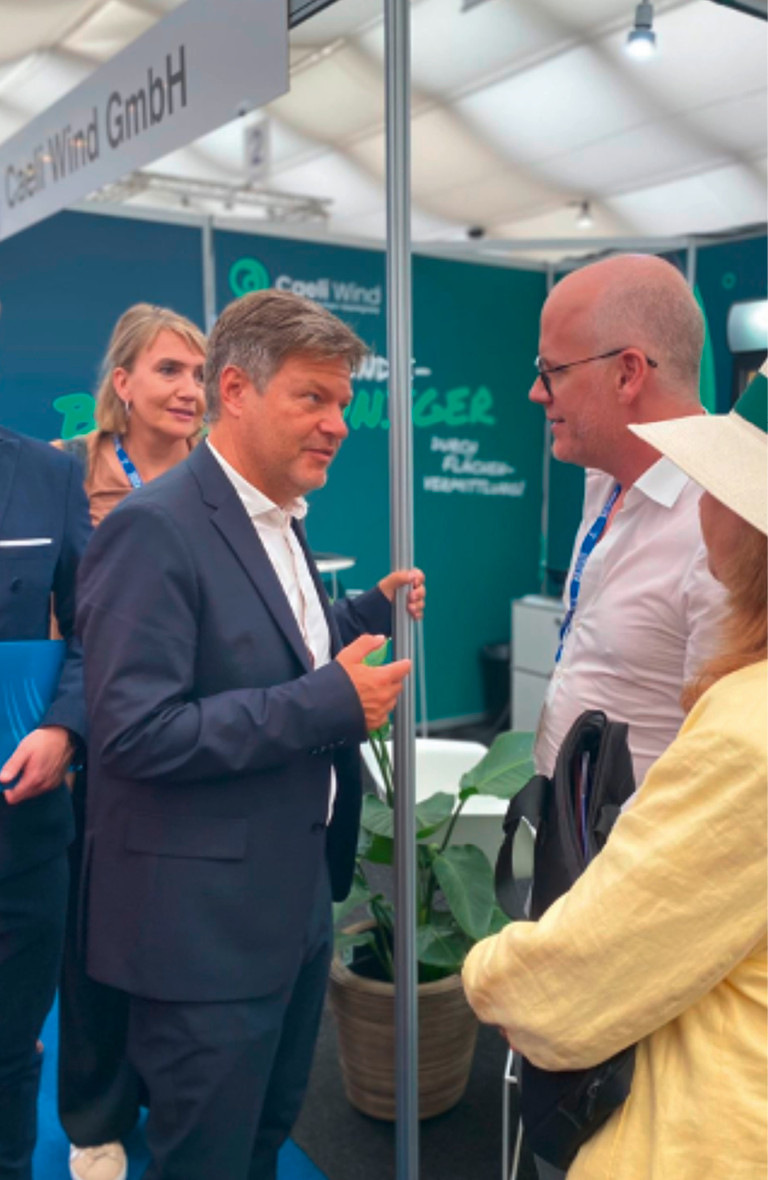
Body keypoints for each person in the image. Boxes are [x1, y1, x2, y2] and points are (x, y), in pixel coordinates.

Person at [76, 288, 423, 1180]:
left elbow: (267, 646)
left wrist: (362, 612)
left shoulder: (272, 514)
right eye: (313, 397)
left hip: (295, 906)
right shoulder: (153, 530)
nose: (339, 423)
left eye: (345, 402)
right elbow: (134, 733)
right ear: (236, 391)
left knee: (259, 1145)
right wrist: (330, 703)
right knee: (208, 1160)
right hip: (204, 941)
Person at [462, 366, 767, 1179]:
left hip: (704, 1131)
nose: (705, 501)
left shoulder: (750, 733)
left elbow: (570, 986)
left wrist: (488, 970)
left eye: (723, 482)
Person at [55, 304, 208, 1180]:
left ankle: (165, 1089)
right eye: (167, 371)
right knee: (96, 949)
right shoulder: (68, 483)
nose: (187, 390)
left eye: (196, 374)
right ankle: (96, 1115)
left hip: (194, 747)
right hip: (98, 756)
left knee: (174, 941)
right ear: (122, 384)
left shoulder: (220, 478)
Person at [529, 253, 726, 786]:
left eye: (551, 372)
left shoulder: (724, 530)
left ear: (627, 373)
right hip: (570, 835)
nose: (537, 393)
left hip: (638, 855)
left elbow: (722, 759)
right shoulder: (605, 479)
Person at [0, 428, 91, 1179]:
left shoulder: (49, 476)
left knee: (7, 1053)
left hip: (19, 834)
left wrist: (66, 725)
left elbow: (99, 626)